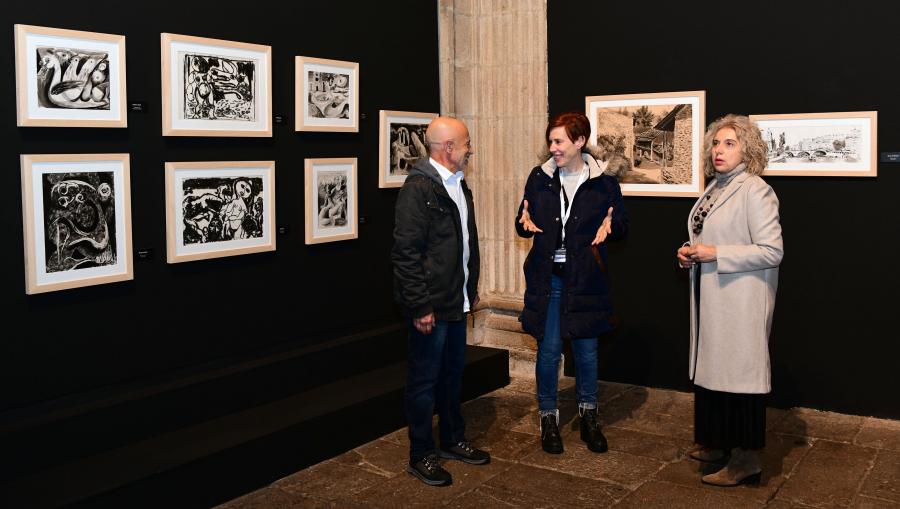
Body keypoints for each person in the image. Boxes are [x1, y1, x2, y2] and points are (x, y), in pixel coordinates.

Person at [676, 114, 784, 486]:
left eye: (729, 144)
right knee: (714, 373)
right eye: (716, 143)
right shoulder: (716, 186)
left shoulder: (756, 190)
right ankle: (717, 443)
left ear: (747, 150)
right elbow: (706, 235)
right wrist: (691, 253)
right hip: (714, 297)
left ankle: (746, 460)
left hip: (740, 303)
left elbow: (772, 251)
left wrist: (716, 253)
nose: (719, 150)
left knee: (739, 379)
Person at [515, 112, 628, 455]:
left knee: (587, 352)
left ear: (579, 141)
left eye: (559, 141)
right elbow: (523, 219)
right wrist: (522, 224)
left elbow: (621, 224)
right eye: (551, 141)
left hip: (586, 276)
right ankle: (548, 418)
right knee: (548, 351)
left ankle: (589, 416)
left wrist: (612, 227)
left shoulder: (604, 182)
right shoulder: (540, 178)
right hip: (548, 277)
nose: (553, 148)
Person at [391, 116, 489, 486]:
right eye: (466, 143)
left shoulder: (459, 185)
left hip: (456, 300)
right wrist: (420, 306)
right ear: (448, 148)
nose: (470, 149)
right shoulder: (418, 189)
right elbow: (405, 254)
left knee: (452, 376)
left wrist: (471, 287)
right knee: (423, 382)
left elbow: (465, 244)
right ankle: (421, 454)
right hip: (431, 305)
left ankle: (451, 439)